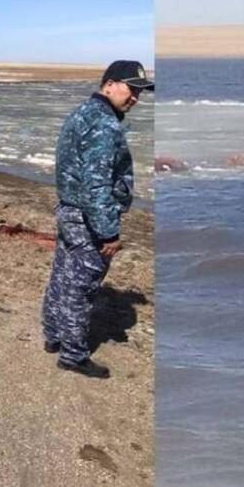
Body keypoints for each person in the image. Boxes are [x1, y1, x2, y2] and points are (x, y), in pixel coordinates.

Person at [41, 60, 152, 379]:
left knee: (62, 277)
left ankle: (54, 336)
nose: (135, 99)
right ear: (110, 85)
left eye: (140, 93)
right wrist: (108, 233)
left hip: (70, 212)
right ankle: (73, 355)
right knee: (81, 288)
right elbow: (96, 184)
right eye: (132, 90)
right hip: (87, 218)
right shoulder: (103, 124)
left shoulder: (84, 113)